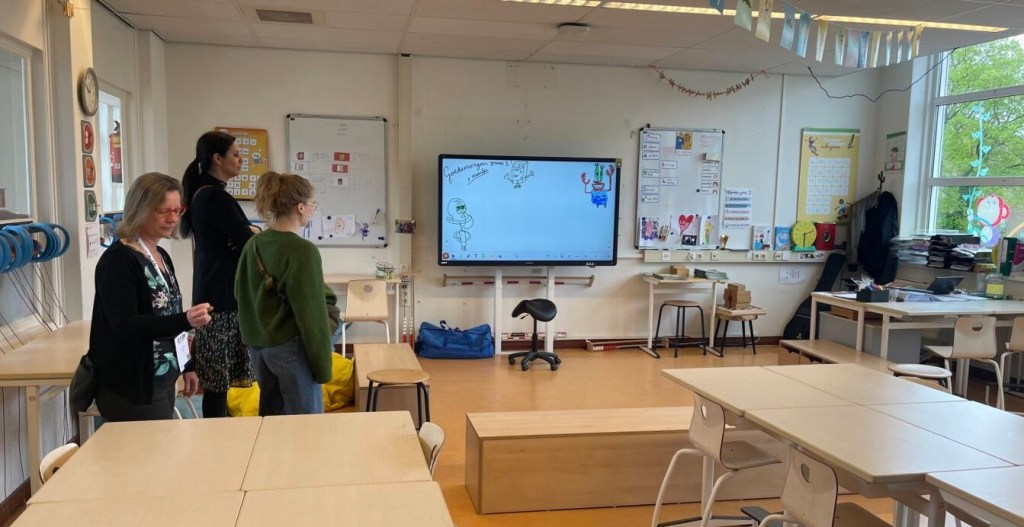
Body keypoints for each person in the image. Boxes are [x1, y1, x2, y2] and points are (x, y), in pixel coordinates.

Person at [88, 173, 213, 421]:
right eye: (163, 211)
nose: (173, 219)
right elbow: (126, 325)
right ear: (141, 210)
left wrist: (187, 365)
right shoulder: (118, 261)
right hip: (133, 385)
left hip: (163, 379)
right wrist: (185, 320)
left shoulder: (160, 255)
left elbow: (170, 313)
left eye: (177, 210)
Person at [236, 172, 337, 415]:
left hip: (260, 348)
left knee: (272, 421)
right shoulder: (302, 250)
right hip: (291, 349)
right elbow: (311, 314)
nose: (313, 209)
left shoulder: (254, 243)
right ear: (300, 207)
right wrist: (323, 367)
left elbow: (240, 293)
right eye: (312, 204)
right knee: (306, 426)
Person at [181, 131, 258, 418]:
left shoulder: (209, 194)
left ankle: (219, 431)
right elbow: (249, 240)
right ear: (217, 158)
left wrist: (247, 233)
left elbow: (244, 237)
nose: (241, 160)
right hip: (220, 299)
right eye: (235, 154)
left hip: (216, 293)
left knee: (220, 381)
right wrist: (251, 232)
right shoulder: (213, 197)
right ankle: (216, 436)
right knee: (217, 382)